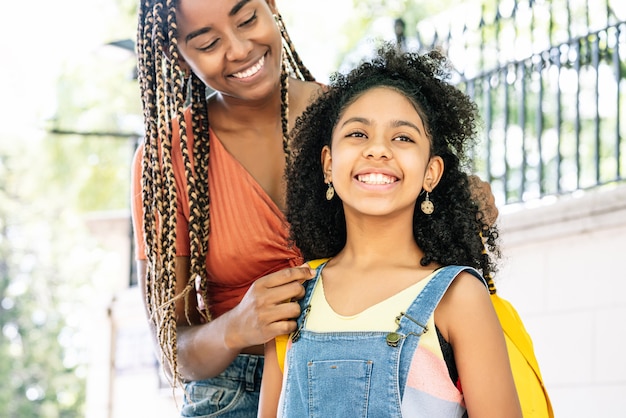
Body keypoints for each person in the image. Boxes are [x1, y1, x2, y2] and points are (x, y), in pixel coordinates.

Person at [131, 0, 499, 416]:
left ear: (272, 8)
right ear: (177, 57)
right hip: (228, 395)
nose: (238, 48)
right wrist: (236, 327)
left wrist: (461, 202)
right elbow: (173, 352)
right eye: (209, 42)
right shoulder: (166, 161)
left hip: (365, 369)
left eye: (248, 19)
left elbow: (422, 222)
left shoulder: (353, 122)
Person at [258, 45, 521, 417]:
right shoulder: (292, 296)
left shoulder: (460, 298)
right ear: (329, 165)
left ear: (431, 173)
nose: (378, 149)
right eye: (358, 134)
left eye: (403, 138)